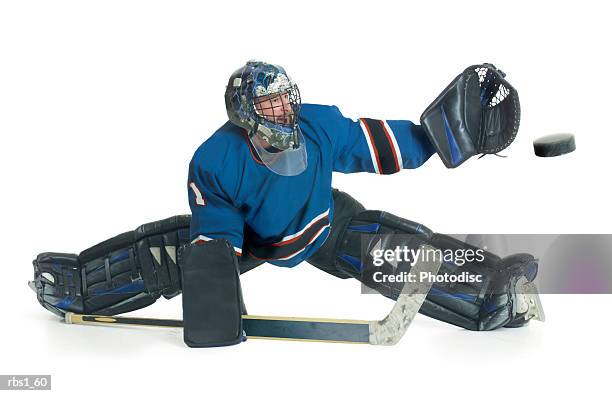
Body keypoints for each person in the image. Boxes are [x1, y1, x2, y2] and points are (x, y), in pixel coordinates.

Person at [31, 60, 542, 347]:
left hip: (323, 224)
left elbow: (374, 144)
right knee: (169, 255)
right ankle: (76, 285)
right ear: (243, 111)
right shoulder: (215, 159)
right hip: (254, 235)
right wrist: (215, 283)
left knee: (395, 250)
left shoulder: (318, 124)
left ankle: (493, 292)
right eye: (268, 103)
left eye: (284, 99)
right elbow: (216, 225)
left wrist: (435, 138)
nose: (282, 110)